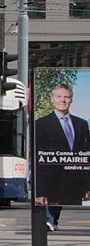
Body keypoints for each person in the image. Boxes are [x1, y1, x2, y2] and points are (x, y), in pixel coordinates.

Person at [35, 83, 90, 231]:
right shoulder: (41, 124)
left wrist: (87, 186)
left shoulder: (81, 124)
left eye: (66, 97)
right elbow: (38, 158)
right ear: (52, 99)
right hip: (51, 179)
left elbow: (86, 156)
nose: (63, 100)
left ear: (71, 100)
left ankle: (53, 221)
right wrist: (40, 191)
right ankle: (49, 220)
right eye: (59, 96)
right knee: (51, 206)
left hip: (74, 182)